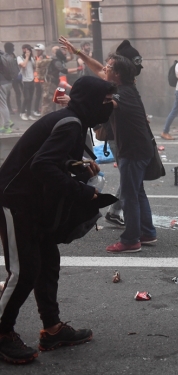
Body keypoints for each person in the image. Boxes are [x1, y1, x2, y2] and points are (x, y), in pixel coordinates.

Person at [0, 75, 116, 365]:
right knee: (24, 269)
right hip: (14, 201)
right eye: (105, 100)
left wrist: (77, 167)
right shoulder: (71, 124)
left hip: (32, 203)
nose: (111, 105)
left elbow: (48, 159)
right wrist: (83, 193)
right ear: (90, 102)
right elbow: (42, 165)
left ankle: (52, 329)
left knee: (48, 262)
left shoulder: (72, 121)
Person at [60, 37, 159, 254]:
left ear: (117, 74)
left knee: (130, 195)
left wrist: (72, 102)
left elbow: (104, 103)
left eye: (109, 67)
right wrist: (78, 52)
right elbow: (99, 71)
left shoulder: (121, 94)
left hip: (132, 151)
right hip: (138, 148)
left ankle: (131, 239)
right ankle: (147, 232)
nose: (105, 68)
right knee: (137, 192)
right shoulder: (123, 86)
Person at [17, 45, 35, 121]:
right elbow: (23, 65)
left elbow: (35, 67)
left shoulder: (32, 58)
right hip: (24, 81)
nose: (29, 51)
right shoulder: (19, 58)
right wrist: (27, 57)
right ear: (24, 50)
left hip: (32, 80)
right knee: (26, 98)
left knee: (30, 98)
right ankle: (22, 113)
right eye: (28, 50)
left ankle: (29, 114)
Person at [3, 43, 21, 116]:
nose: (13, 49)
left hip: (15, 78)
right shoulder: (5, 57)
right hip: (9, 79)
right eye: (12, 47)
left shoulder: (13, 55)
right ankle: (9, 109)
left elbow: (15, 66)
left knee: (18, 92)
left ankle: (19, 107)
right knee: (8, 94)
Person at [31, 44, 47, 119]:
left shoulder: (46, 57)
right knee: (38, 95)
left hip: (44, 79)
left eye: (38, 50)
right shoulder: (35, 58)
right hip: (37, 79)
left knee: (44, 95)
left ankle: (41, 108)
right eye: (36, 50)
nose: (37, 52)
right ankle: (35, 109)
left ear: (42, 51)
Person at [0, 48, 13, 134]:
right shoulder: (4, 54)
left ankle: (7, 126)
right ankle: (7, 121)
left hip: (1, 83)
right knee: (3, 104)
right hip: (8, 82)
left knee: (2, 105)